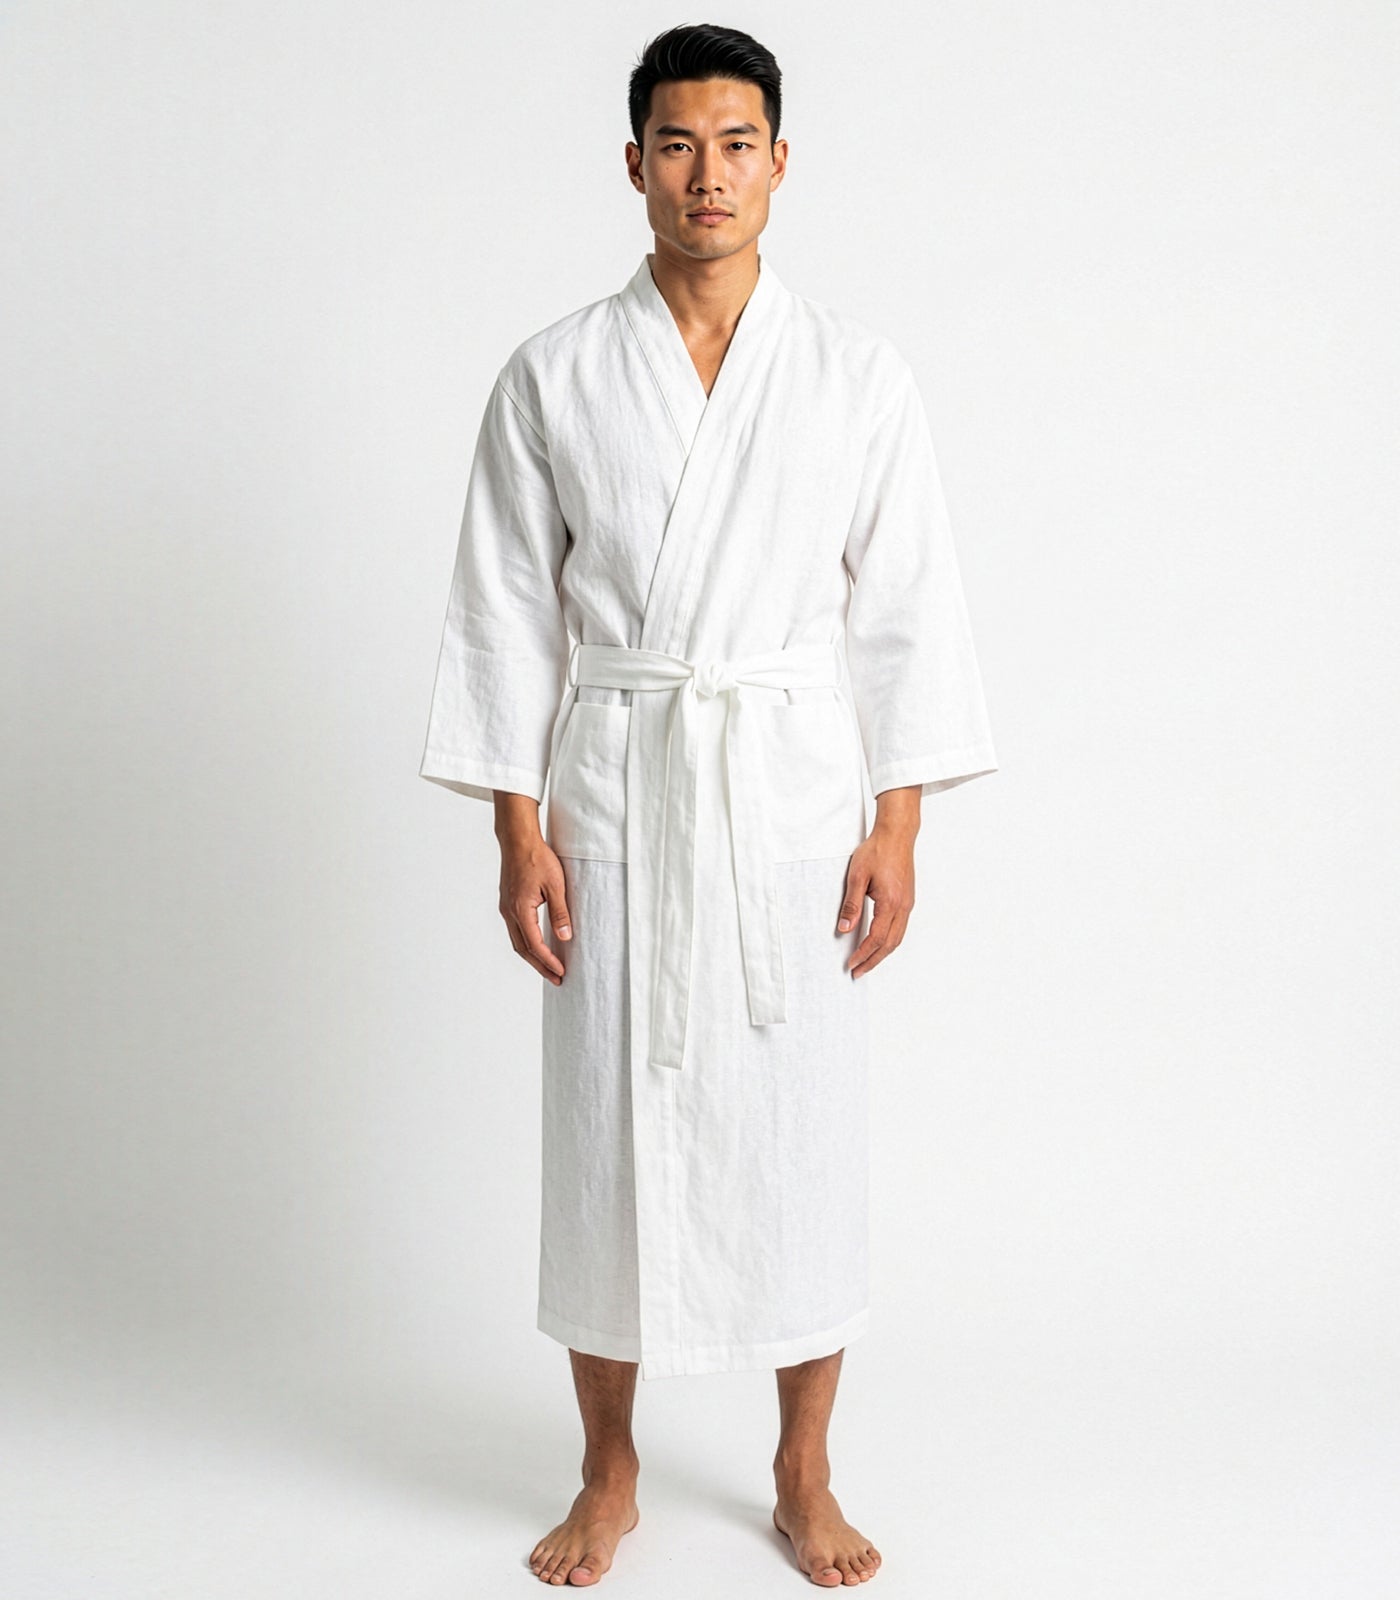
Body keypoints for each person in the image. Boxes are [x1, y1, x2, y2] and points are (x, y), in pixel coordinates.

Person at [418, 22, 998, 1589]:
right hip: (619, 786)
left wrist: (899, 823)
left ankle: (803, 1467)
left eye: (737, 144)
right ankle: (607, 1469)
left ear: (780, 164)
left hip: (787, 798)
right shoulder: (552, 373)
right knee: (604, 1133)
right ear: (635, 165)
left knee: (798, 1134)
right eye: (678, 144)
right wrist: (515, 827)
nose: (708, 175)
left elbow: (907, 608)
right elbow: (503, 613)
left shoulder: (856, 375)